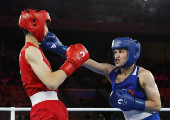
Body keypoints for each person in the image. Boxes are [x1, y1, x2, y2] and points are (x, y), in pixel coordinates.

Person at [40, 35, 161, 120]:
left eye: (121, 52)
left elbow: (157, 105)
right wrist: (61, 49)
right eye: (115, 52)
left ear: (132, 53)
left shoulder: (144, 75)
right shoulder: (111, 71)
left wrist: (133, 103)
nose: (116, 56)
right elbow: (84, 60)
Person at [18, 9, 90, 120]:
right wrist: (72, 62)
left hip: (51, 107)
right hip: (45, 110)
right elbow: (52, 82)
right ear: (35, 25)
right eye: (45, 26)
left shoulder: (34, 50)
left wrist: (62, 50)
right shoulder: (30, 50)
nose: (47, 30)